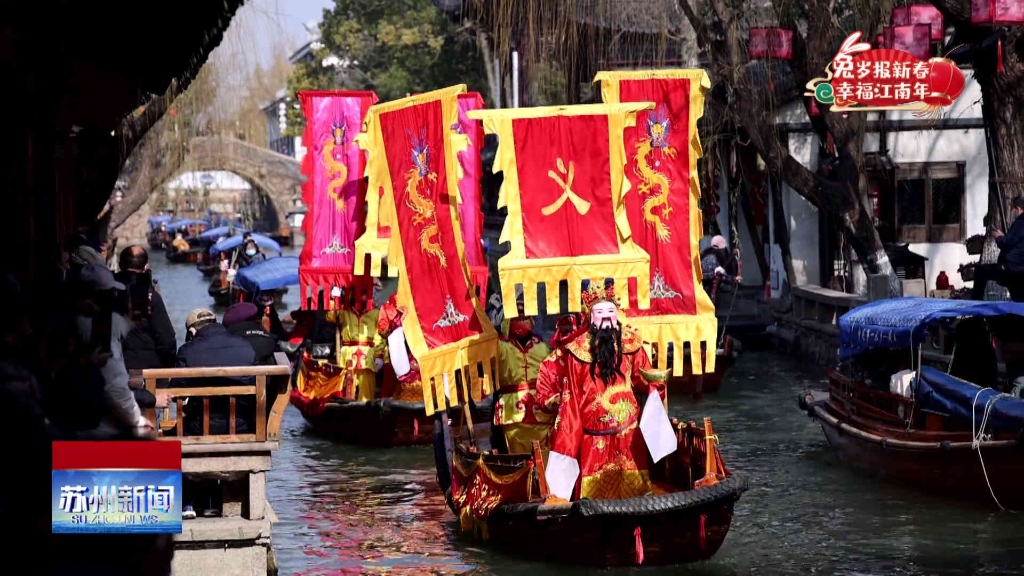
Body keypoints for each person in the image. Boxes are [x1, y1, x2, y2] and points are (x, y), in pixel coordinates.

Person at [543, 284, 666, 502]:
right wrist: (567, 444)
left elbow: (643, 379)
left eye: (611, 311)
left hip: (628, 436)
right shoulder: (577, 351)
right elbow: (571, 401)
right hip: (593, 438)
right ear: (590, 317)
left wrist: (656, 386)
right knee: (593, 499)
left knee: (636, 496)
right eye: (600, 312)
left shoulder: (631, 344)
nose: (607, 316)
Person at [74, 263, 154, 439]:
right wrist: (136, 418)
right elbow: (114, 382)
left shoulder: (80, 320)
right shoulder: (98, 326)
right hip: (93, 426)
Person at [168, 309, 257, 437]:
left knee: (169, 433)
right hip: (241, 424)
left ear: (192, 331)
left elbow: (175, 394)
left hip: (200, 426)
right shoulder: (245, 345)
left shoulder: (187, 351)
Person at [493, 300, 552, 454]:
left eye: (524, 315)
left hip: (541, 411)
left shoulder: (543, 347)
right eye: (517, 316)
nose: (521, 319)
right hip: (511, 412)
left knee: (544, 457)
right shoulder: (499, 347)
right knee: (518, 458)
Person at [116, 246, 178, 370]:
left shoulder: (106, 293)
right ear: (146, 266)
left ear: (120, 265)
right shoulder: (151, 297)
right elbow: (167, 341)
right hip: (146, 369)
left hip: (114, 367)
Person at [327, 281, 384, 401]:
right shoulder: (344, 312)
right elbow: (331, 316)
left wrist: (379, 356)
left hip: (368, 358)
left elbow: (379, 336)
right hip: (347, 356)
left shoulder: (376, 313)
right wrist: (333, 299)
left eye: (364, 292)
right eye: (359, 292)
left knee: (367, 396)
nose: (361, 296)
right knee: (346, 392)